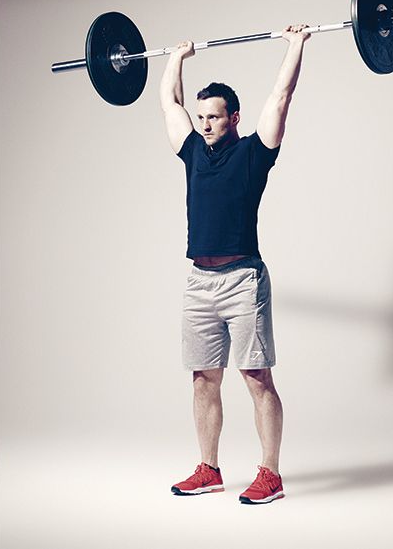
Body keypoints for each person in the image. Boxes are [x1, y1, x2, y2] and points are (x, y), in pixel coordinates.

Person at [159, 25, 310, 504]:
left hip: (243, 279)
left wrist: (296, 46)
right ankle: (209, 468)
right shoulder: (192, 155)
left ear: (234, 119)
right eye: (201, 117)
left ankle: (270, 473)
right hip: (199, 282)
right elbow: (170, 104)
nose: (204, 125)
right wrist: (177, 58)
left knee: (256, 376)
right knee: (204, 377)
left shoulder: (253, 154)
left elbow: (281, 96)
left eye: (215, 118)